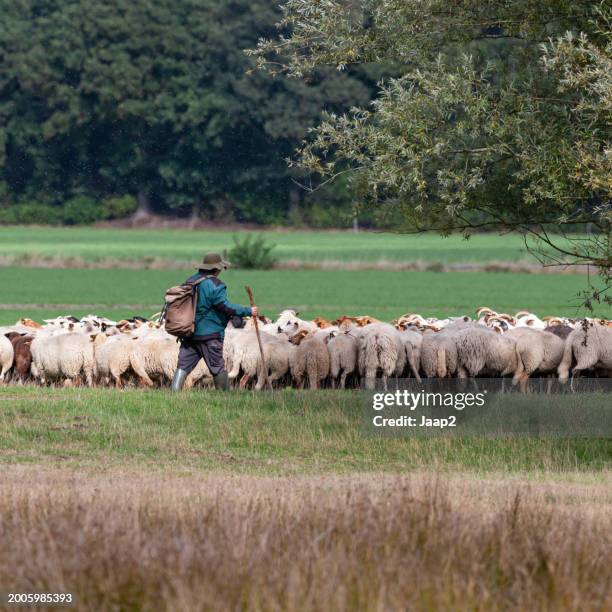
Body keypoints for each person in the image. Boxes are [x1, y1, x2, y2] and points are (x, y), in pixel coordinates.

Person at [170, 252, 257, 391]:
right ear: (216, 269)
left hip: (189, 332)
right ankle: (224, 396)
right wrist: (248, 311)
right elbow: (224, 306)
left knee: (183, 365)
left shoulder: (190, 281)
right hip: (210, 334)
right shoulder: (216, 284)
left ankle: (173, 392)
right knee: (217, 366)